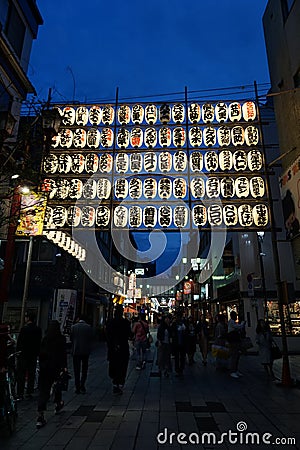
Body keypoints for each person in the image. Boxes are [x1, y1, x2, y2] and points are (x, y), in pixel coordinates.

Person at [36, 320, 68, 429]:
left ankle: (40, 415)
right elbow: (63, 354)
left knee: (44, 390)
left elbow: (40, 354)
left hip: (45, 368)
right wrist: (64, 367)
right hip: (56, 367)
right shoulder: (61, 339)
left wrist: (42, 364)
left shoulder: (45, 339)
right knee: (57, 386)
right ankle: (58, 404)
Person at [106, 305, 133, 394]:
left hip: (113, 349)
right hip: (123, 348)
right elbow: (130, 335)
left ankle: (115, 383)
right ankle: (120, 384)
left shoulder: (110, 322)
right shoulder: (126, 323)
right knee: (123, 366)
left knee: (114, 365)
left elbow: (107, 336)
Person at [16, 312, 42, 399]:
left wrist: (18, 353)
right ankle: (29, 392)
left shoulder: (24, 329)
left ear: (28, 319)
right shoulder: (38, 329)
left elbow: (19, 342)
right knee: (31, 374)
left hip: (23, 354)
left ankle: (20, 392)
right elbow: (39, 343)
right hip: (33, 354)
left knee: (21, 374)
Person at [70, 314, 93, 394]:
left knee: (76, 369)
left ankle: (77, 387)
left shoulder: (73, 327)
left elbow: (71, 338)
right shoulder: (88, 327)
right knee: (84, 369)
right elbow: (91, 338)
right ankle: (82, 385)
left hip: (76, 350)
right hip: (85, 351)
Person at [227, 311, 245, 379]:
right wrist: (242, 323)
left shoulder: (231, 322)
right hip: (233, 340)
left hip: (234, 340)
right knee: (234, 355)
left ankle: (235, 370)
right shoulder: (231, 322)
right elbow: (238, 327)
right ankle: (233, 371)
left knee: (236, 355)